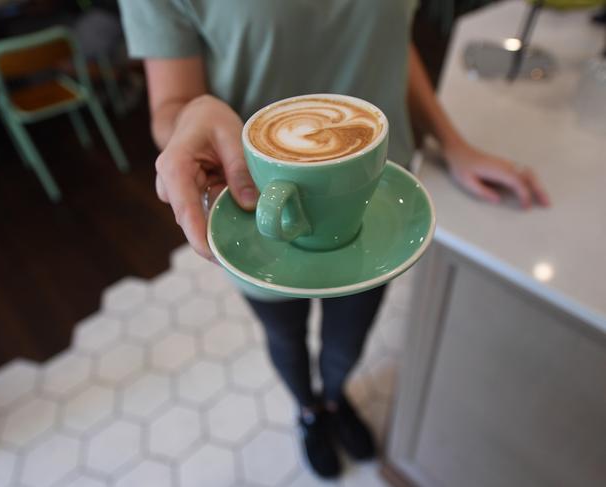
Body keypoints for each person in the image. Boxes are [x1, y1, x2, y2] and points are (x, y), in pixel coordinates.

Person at [118, 0, 550, 479]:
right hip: (261, 208)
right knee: (285, 335)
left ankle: (334, 397)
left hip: (373, 200)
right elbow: (170, 103)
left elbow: (389, 43)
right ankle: (309, 411)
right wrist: (190, 115)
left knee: (347, 340)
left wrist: (453, 142)